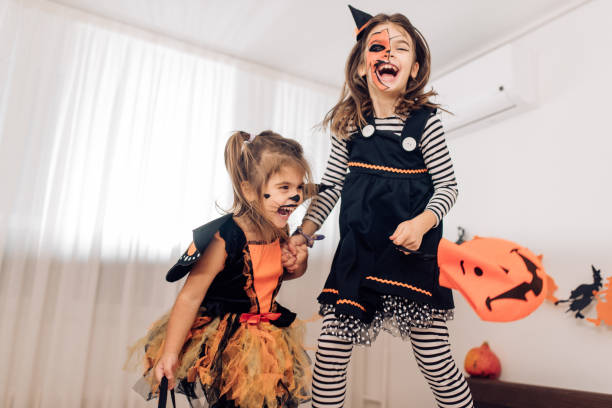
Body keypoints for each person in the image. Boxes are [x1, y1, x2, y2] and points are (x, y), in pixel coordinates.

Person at [289, 6, 474, 408]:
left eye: (401, 48)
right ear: (360, 67)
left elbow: (448, 186)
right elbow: (333, 185)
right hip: (357, 255)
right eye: (378, 46)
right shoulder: (349, 127)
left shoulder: (425, 123)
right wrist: (303, 234)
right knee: (329, 359)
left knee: (436, 362)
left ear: (415, 68)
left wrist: (422, 223)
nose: (389, 53)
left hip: (411, 258)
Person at [127, 130, 314, 408]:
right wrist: (170, 352)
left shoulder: (278, 229)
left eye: (299, 188)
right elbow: (190, 297)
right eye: (284, 188)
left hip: (267, 339)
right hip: (226, 345)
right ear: (250, 190)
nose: (296, 196)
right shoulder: (223, 238)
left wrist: (298, 264)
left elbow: (275, 275)